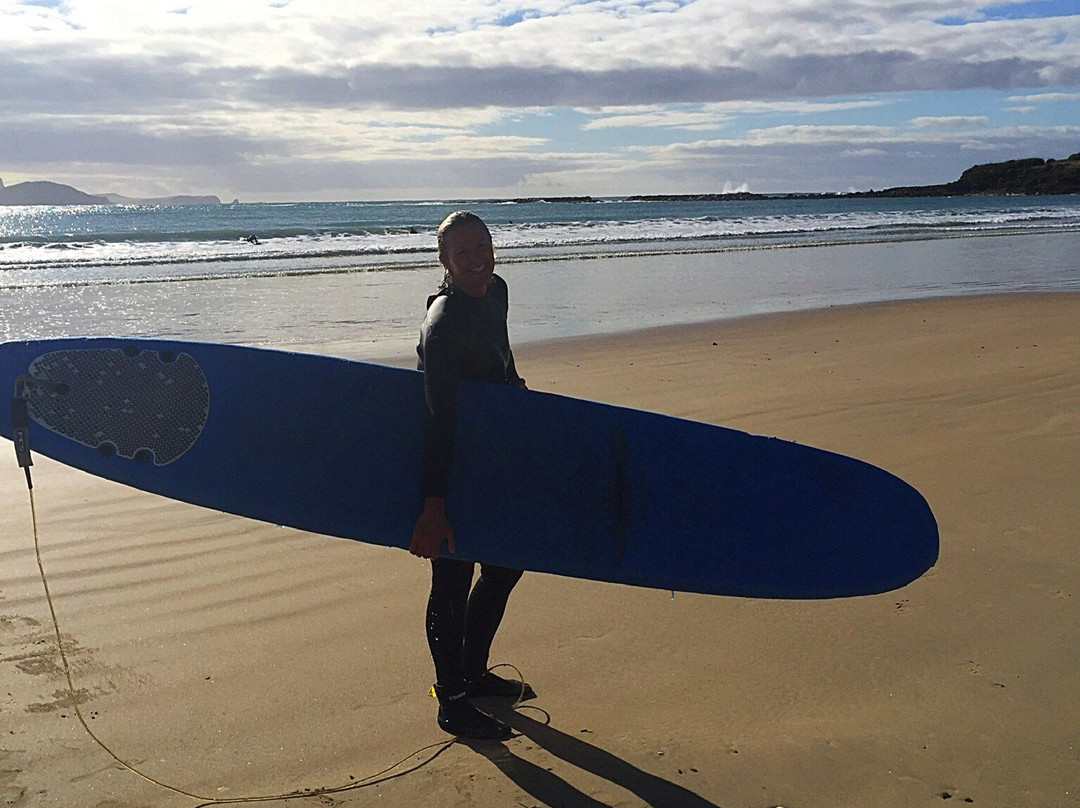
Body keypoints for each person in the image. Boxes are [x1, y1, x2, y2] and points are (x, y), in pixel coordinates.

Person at [410, 211, 535, 741]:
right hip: (449, 459)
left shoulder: (497, 290)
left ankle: (475, 673)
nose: (478, 258)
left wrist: (516, 387)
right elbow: (437, 418)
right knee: (453, 578)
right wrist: (433, 504)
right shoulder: (441, 326)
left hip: (491, 456)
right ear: (445, 262)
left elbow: (500, 360)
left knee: (506, 565)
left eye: (483, 245)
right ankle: (452, 701)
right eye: (464, 252)